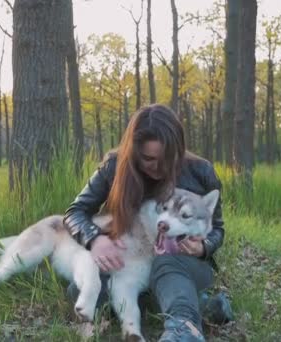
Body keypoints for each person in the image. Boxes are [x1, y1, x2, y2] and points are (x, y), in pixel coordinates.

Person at [63, 104, 230, 342]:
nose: (160, 167)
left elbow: (218, 229)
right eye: (149, 159)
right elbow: (75, 212)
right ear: (134, 151)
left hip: (180, 263)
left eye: (167, 158)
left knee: (167, 264)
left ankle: (184, 329)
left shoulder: (201, 171)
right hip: (130, 260)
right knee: (79, 290)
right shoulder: (113, 166)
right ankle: (203, 307)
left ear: (178, 149)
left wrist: (204, 247)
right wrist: (95, 239)